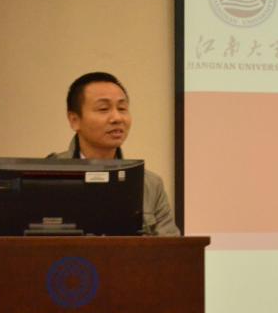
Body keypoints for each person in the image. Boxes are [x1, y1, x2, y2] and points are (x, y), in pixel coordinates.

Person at [47, 71, 180, 236]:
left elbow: (171, 247)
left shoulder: (150, 184)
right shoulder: (47, 176)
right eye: (103, 109)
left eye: (122, 108)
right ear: (74, 120)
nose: (117, 118)